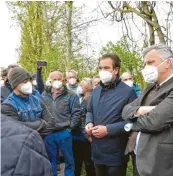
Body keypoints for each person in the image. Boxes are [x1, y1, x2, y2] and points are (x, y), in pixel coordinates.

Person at [122, 44, 173, 176]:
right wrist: (142, 109)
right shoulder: (150, 87)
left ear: (167, 63)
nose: (146, 68)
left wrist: (131, 123)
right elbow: (125, 110)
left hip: (161, 162)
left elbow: (154, 122)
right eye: (144, 64)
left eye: (150, 62)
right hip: (139, 157)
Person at [85, 54, 137, 176]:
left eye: (106, 68)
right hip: (97, 152)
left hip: (116, 155)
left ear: (116, 70)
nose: (102, 71)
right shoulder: (97, 90)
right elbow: (90, 111)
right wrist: (89, 122)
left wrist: (108, 130)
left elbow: (132, 123)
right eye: (100, 68)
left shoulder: (128, 92)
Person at [41, 71, 81, 176]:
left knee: (69, 160)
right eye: (55, 79)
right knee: (51, 160)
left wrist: (70, 128)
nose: (57, 81)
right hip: (49, 133)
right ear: (50, 80)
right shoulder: (44, 95)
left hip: (64, 132)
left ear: (63, 80)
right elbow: (40, 111)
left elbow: (76, 113)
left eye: (59, 79)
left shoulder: (71, 95)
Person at [1, 67, 55, 137]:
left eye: (29, 80)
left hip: (40, 144)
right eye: (25, 81)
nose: (29, 84)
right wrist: (41, 123)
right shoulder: (7, 106)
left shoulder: (37, 100)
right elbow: (17, 130)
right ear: (15, 84)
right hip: (22, 146)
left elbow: (51, 123)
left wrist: (32, 132)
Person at [73, 78, 96, 176]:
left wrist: (87, 135)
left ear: (86, 88)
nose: (79, 88)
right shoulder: (80, 98)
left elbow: (85, 119)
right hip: (76, 136)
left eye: (81, 86)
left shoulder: (90, 99)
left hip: (86, 137)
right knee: (76, 162)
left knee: (88, 163)